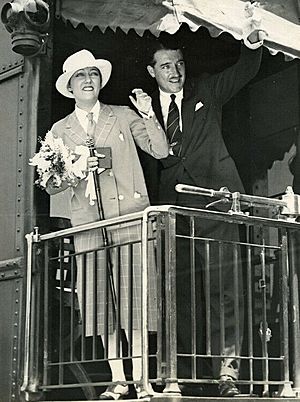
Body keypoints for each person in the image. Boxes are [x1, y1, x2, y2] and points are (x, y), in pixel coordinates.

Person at [145, 30, 266, 397]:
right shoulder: (145, 110)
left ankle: (227, 371)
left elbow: (246, 68)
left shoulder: (207, 92)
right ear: (152, 72)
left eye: (179, 63)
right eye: (166, 66)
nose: (175, 71)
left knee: (223, 289)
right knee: (177, 292)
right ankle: (182, 373)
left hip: (215, 202)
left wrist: (252, 43)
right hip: (174, 211)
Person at [46, 49, 169, 400]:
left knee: (136, 299)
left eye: (94, 74)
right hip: (87, 223)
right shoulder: (60, 130)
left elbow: (160, 151)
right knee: (101, 301)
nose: (88, 80)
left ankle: (143, 379)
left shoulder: (123, 115)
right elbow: (50, 183)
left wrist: (148, 113)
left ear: (100, 81)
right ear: (70, 86)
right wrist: (73, 171)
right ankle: (118, 379)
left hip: (129, 217)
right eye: (81, 75)